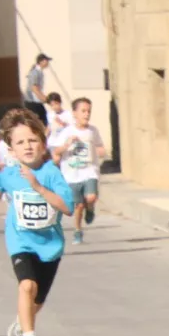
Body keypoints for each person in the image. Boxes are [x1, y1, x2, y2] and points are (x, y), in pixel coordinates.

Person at [0, 107, 75, 336]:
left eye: (33, 140)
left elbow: (67, 207)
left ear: (44, 144)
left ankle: (21, 325)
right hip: (20, 241)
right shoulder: (10, 174)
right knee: (27, 286)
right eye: (20, 142)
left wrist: (37, 187)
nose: (27, 146)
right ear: (11, 150)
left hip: (50, 246)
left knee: (37, 300)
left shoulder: (51, 174)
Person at [48, 97, 107, 243]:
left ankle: (91, 208)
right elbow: (56, 152)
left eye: (89, 111)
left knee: (91, 197)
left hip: (90, 170)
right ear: (74, 113)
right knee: (78, 205)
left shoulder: (92, 131)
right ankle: (77, 230)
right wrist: (67, 144)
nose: (86, 114)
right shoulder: (67, 132)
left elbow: (100, 147)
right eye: (83, 111)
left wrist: (98, 149)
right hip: (71, 174)